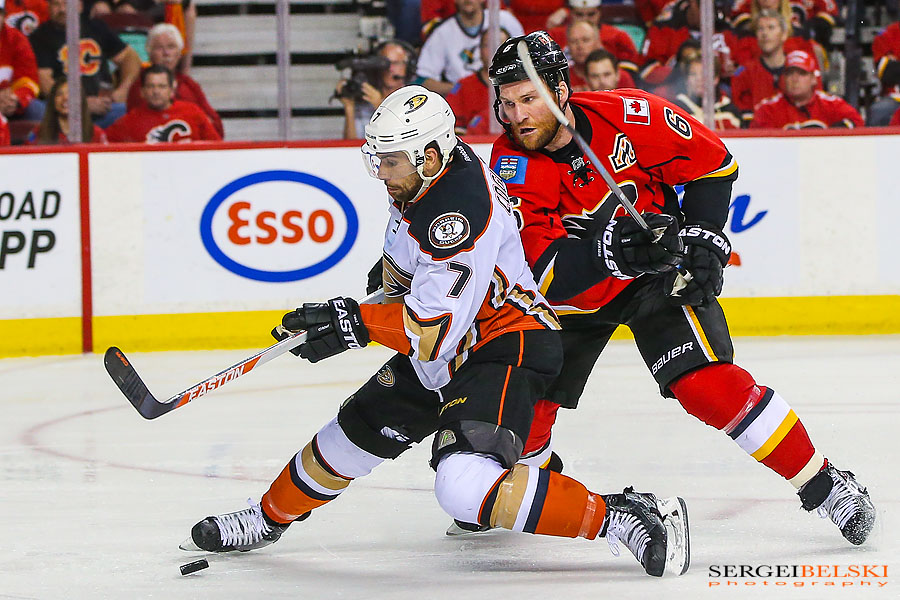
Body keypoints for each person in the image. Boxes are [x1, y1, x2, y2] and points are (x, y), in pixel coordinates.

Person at [182, 85, 691, 578]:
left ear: (428, 156)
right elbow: (403, 280)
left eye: (391, 160)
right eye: (377, 158)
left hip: (504, 340)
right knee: (347, 438)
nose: (381, 171)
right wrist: (364, 304)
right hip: (451, 343)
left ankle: (625, 514)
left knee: (464, 487)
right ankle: (266, 519)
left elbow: (429, 333)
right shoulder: (422, 176)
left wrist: (352, 323)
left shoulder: (458, 216)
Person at [486, 31, 875, 547]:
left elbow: (713, 165)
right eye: (508, 103)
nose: (517, 116)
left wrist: (706, 240)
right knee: (526, 407)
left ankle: (827, 487)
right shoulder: (508, 164)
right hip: (570, 299)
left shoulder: (629, 114)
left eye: (529, 98)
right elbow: (543, 271)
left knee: (708, 386)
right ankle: (531, 486)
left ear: (561, 90)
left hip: (653, 274)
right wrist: (610, 251)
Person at [29, 0, 141, 128]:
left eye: (66, 4)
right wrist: (80, 103)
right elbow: (45, 82)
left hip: (104, 108)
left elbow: (129, 57)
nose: (62, 9)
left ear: (80, 6)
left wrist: (124, 90)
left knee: (129, 110)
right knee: (37, 109)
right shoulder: (40, 37)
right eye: (56, 4)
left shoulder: (97, 27)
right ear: (48, 7)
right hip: (64, 111)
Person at [125, 23, 223, 138]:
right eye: (159, 48)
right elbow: (137, 124)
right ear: (149, 52)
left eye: (171, 47)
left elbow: (216, 125)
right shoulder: (141, 85)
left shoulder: (189, 84)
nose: (166, 53)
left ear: (179, 54)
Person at [415, 0, 523, 96]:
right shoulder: (442, 33)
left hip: (506, 91)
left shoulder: (504, 20)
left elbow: (525, 58)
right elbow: (422, 80)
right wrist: (463, 90)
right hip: (465, 102)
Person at [750, 50, 863, 129]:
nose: (795, 79)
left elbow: (857, 122)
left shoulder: (831, 104)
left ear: (814, 79)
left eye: (802, 73)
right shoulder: (767, 109)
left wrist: (830, 133)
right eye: (790, 74)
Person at [105, 64, 219, 142]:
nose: (156, 91)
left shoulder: (193, 112)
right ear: (142, 92)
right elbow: (102, 145)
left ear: (172, 91)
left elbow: (217, 147)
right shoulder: (129, 121)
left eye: (162, 86)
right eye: (151, 86)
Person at [336, 39, 416, 140]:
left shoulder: (414, 96)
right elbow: (350, 147)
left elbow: (408, 141)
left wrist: (380, 107)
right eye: (384, 63)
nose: (390, 69)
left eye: (395, 63)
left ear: (408, 67)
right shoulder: (366, 97)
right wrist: (349, 108)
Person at [546, 0, 642, 75]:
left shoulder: (618, 36)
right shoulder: (554, 36)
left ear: (600, 12)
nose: (585, 19)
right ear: (570, 13)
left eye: (591, 14)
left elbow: (630, 74)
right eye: (579, 14)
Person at [445, 28, 511, 135]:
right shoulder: (464, 86)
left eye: (500, 45)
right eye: (487, 45)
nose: (493, 50)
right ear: (479, 50)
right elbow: (449, 125)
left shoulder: (520, 86)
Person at [29, 76, 107, 143]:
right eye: (59, 94)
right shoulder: (38, 133)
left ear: (81, 100)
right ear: (53, 101)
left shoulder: (96, 134)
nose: (65, 98)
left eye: (71, 93)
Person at [673, 57, 742, 129]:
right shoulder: (677, 109)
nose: (699, 78)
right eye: (693, 74)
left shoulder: (729, 109)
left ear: (716, 79)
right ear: (687, 80)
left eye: (704, 74)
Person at [565, 21, 635, 91]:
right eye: (573, 41)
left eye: (585, 40)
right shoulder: (562, 78)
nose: (580, 46)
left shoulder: (622, 77)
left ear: (598, 42)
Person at [0, 0, 40, 120]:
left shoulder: (16, 39)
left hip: (10, 103)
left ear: (4, 16)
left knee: (37, 110)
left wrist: (15, 98)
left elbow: (29, 80)